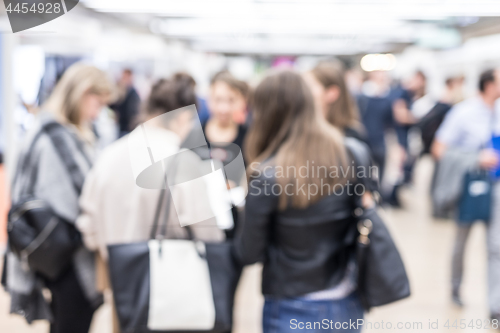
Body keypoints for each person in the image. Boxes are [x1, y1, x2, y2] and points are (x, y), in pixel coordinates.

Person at [76, 73, 224, 333]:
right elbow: (208, 233)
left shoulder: (109, 156)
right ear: (181, 117)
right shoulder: (182, 162)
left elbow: (87, 223)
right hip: (171, 292)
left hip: (120, 288)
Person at [235, 70, 374, 333]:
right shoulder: (354, 154)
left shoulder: (267, 176)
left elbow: (248, 253)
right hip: (347, 300)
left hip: (290, 305)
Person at [3, 63, 113, 333]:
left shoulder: (60, 130)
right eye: (97, 103)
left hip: (60, 251)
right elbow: (74, 199)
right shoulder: (56, 137)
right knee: (71, 321)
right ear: (83, 93)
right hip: (67, 254)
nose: (97, 112)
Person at [432, 69, 500, 324]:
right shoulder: (464, 113)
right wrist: (475, 159)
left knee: (496, 247)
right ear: (489, 85)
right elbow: (439, 149)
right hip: (470, 186)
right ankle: (455, 287)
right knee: (461, 240)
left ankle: (496, 307)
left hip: (496, 186)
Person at [304, 61, 365, 142]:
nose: (304, 91)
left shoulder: (349, 136)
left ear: (332, 93)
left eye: (310, 86)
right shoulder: (304, 128)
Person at [356, 70, 396, 184]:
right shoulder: (362, 97)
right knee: (364, 172)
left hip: (379, 141)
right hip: (364, 140)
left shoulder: (386, 98)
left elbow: (390, 122)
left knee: (381, 172)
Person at [110, 68, 141, 137]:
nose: (124, 79)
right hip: (121, 127)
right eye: (123, 77)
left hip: (129, 128)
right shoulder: (121, 91)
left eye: (126, 77)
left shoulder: (133, 93)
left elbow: (134, 112)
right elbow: (112, 105)